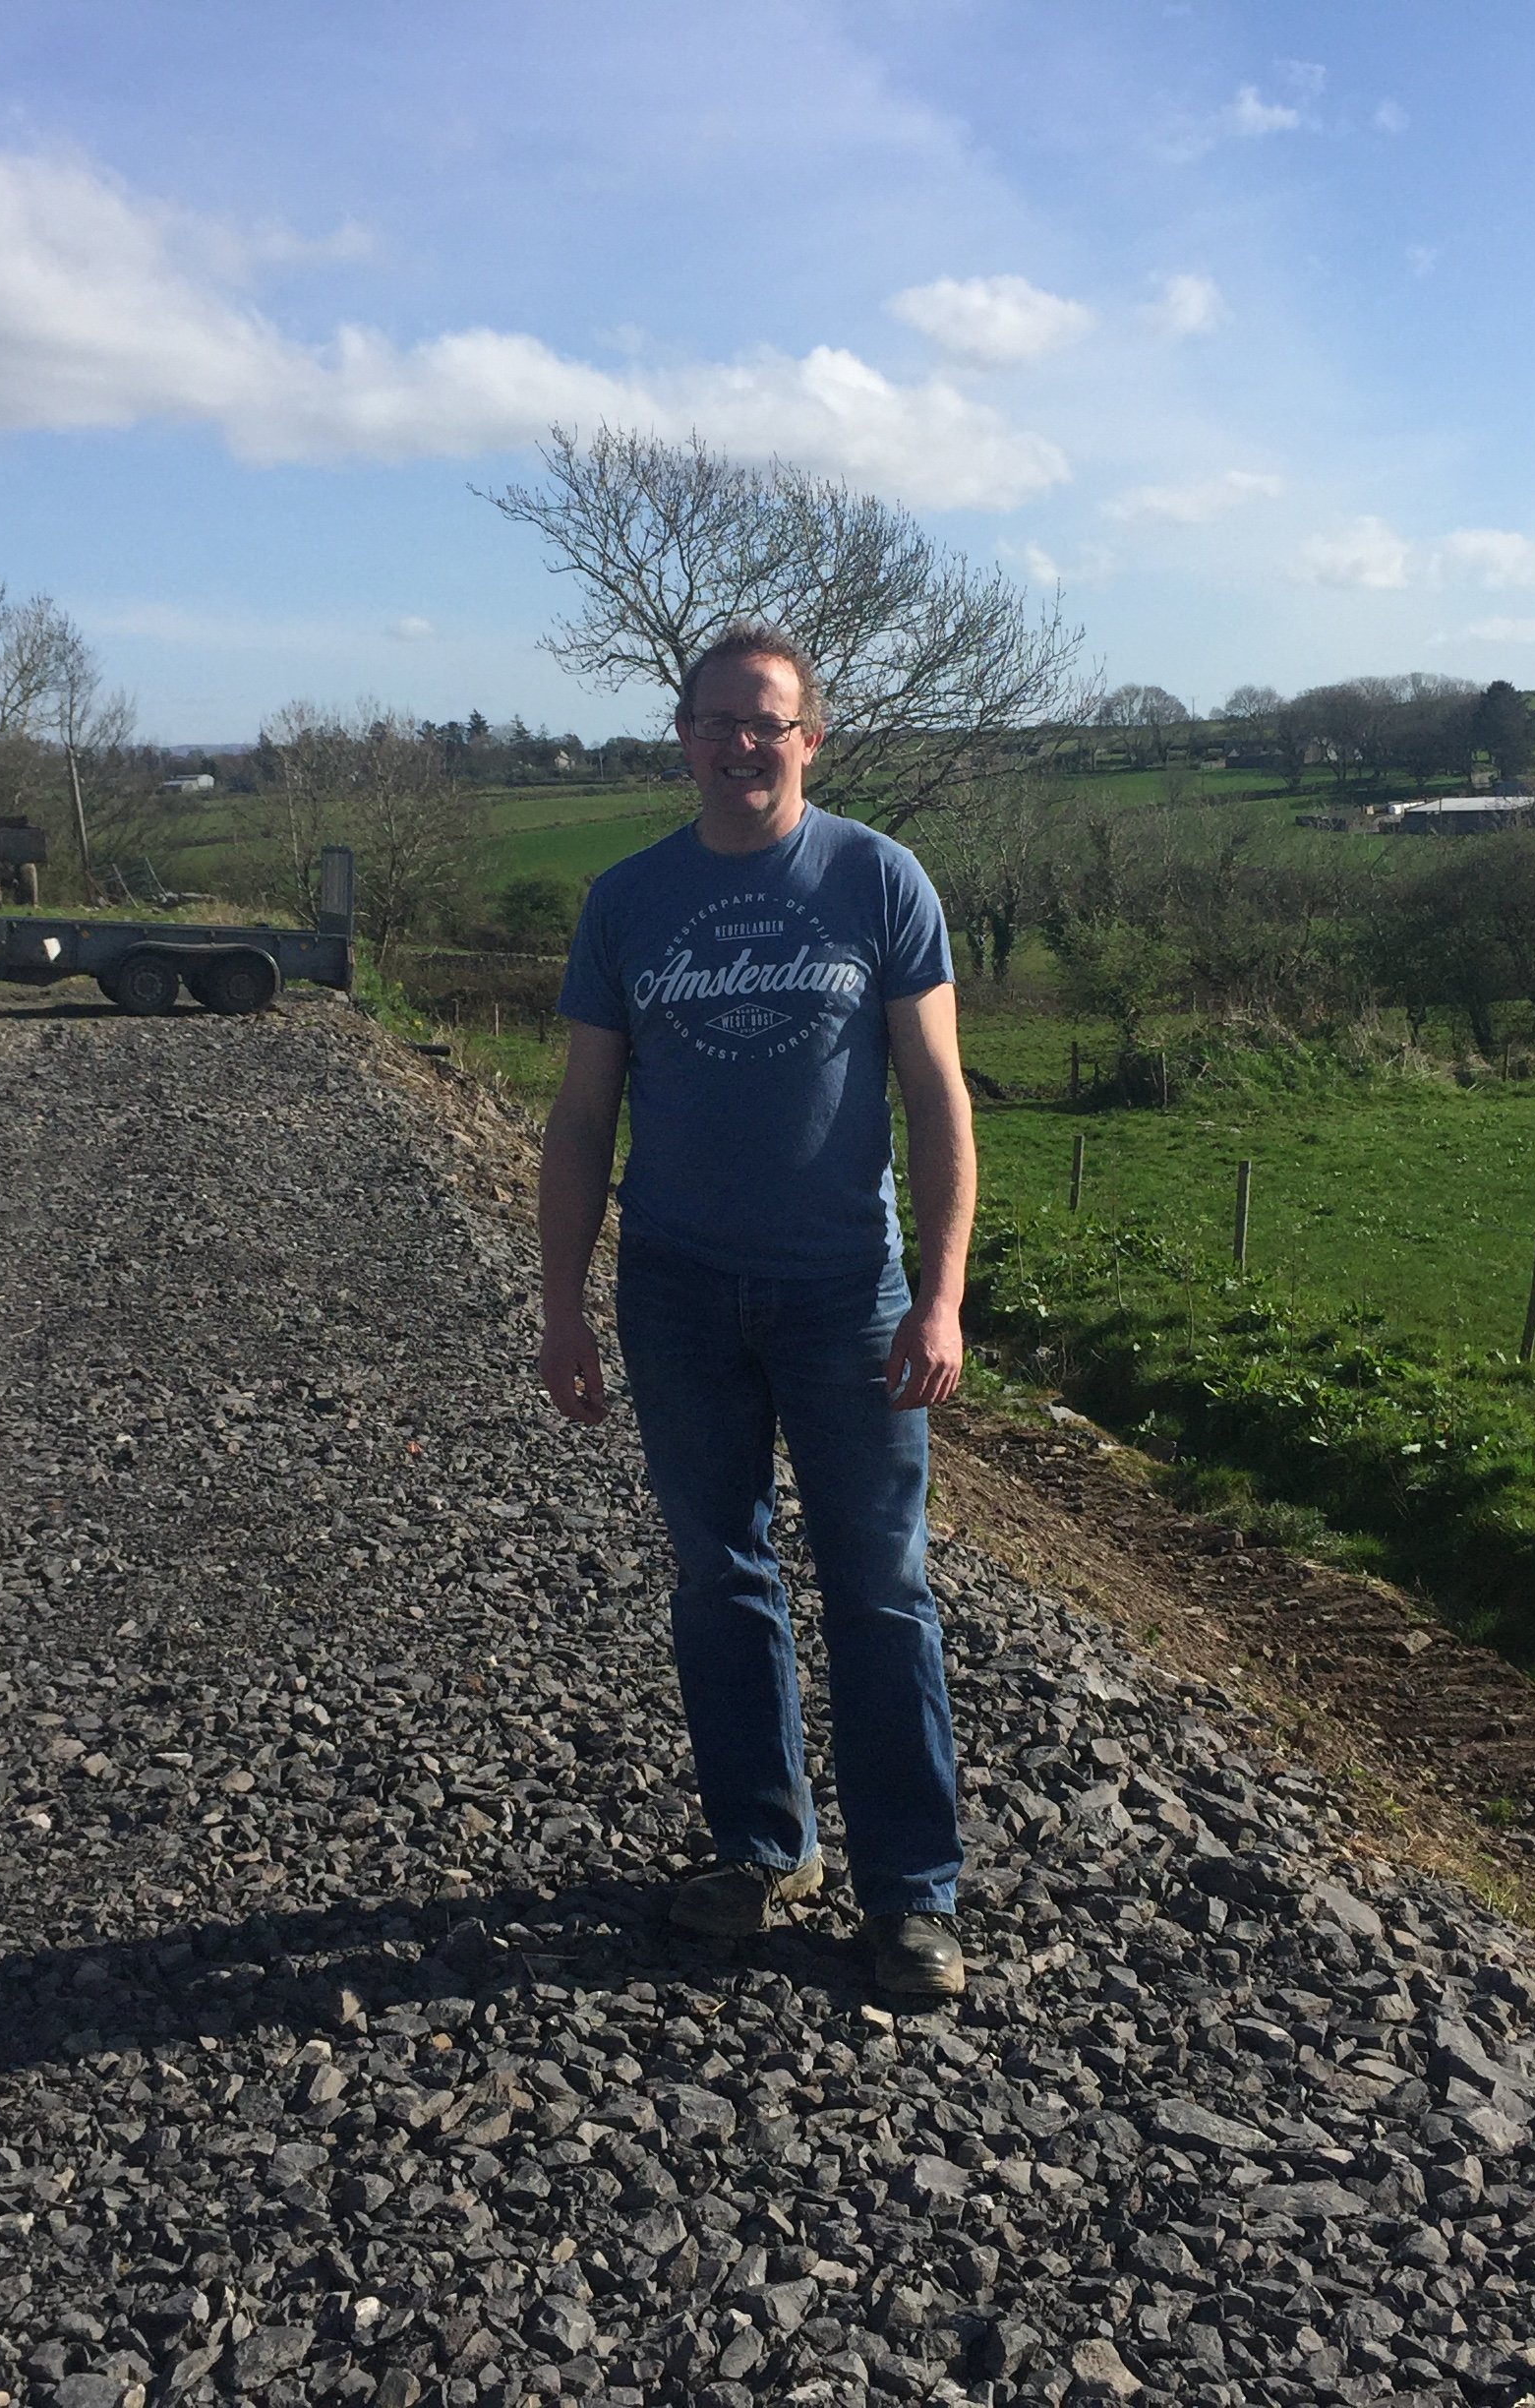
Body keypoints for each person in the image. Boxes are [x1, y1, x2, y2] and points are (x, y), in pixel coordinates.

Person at [536, 620, 977, 2002]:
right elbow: (582, 1116)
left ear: (810, 740)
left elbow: (938, 1097)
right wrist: (562, 1305)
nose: (741, 745)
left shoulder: (878, 879)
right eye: (716, 722)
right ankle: (763, 1849)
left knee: (881, 1589)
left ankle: (911, 1896)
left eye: (767, 723)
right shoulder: (627, 901)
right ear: (683, 738)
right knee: (720, 1579)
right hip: (675, 1291)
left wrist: (944, 1295)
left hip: (846, 1291)